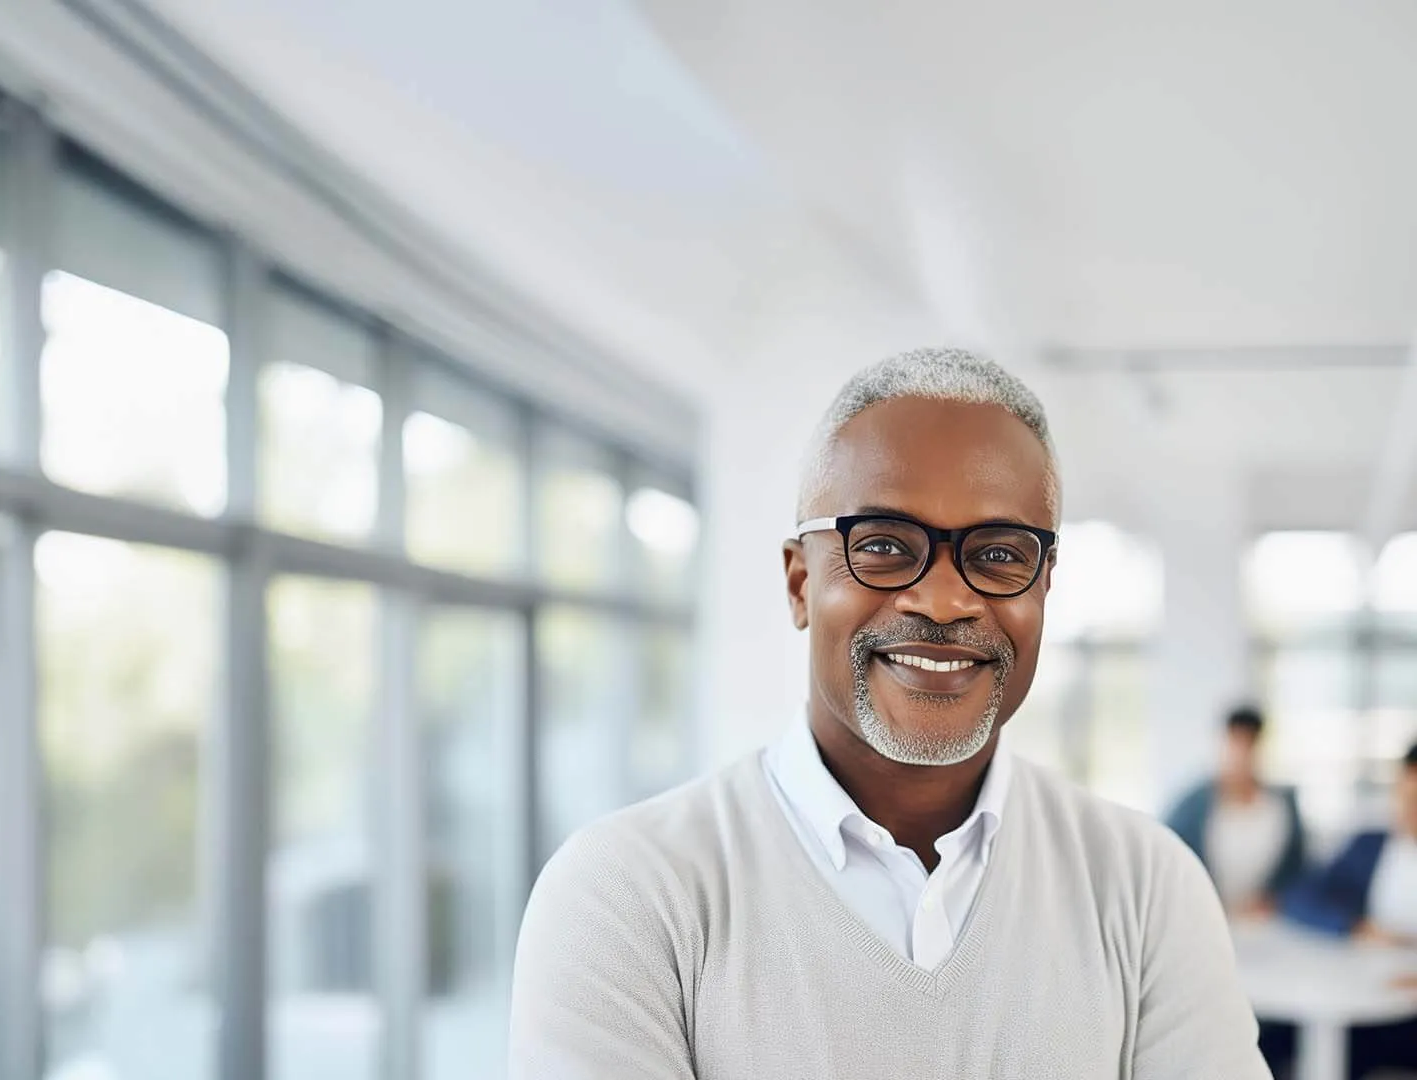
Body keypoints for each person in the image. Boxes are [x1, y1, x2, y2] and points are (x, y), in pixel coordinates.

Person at [508, 348, 1266, 1079]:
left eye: (999, 553)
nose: (942, 600)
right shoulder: (629, 897)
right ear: (801, 583)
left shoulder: (1147, 888)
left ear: (1044, 588)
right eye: (883, 545)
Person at [1275, 742, 1417, 1079]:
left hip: (1406, 1015)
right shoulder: (1371, 844)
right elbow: (1299, 896)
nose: (1408, 810)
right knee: (1272, 1041)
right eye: (1404, 796)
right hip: (1360, 994)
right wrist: (1355, 926)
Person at [1164, 706, 1308, 917]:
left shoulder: (1283, 805)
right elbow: (1167, 855)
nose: (1241, 755)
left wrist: (1275, 898)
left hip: (1264, 923)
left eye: (1249, 745)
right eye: (1235, 743)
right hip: (1201, 916)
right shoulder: (1193, 804)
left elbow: (1298, 868)